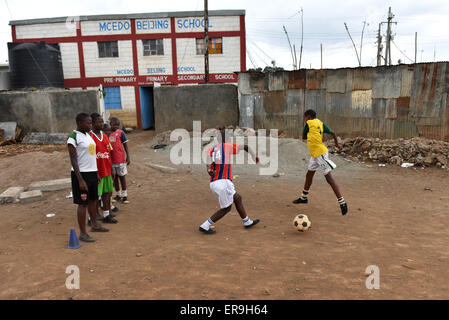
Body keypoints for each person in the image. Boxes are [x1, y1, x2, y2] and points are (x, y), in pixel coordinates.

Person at [199, 129, 260, 234]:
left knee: (237, 198)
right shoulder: (227, 146)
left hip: (214, 183)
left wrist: (209, 170)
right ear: (226, 139)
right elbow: (246, 146)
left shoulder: (211, 149)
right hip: (223, 182)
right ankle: (205, 225)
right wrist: (253, 156)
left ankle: (247, 221)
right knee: (226, 209)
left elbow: (208, 163)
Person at [292, 109, 348, 215]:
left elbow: (304, 137)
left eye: (304, 118)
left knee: (329, 178)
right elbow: (333, 133)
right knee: (309, 174)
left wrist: (309, 134)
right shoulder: (320, 123)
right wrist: (337, 144)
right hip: (315, 154)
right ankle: (304, 197)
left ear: (307, 117)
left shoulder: (309, 123)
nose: (304, 120)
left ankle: (342, 202)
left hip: (320, 154)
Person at [67, 113, 109, 243]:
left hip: (92, 173)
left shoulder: (88, 135)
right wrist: (80, 180)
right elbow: (73, 160)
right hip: (81, 174)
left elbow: (91, 156)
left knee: (93, 200)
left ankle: (95, 224)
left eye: (91, 123)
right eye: (88, 123)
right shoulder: (73, 137)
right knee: (83, 204)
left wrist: (96, 173)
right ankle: (83, 233)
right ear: (80, 123)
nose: (90, 125)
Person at [89, 113, 118, 224]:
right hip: (96, 172)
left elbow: (108, 153)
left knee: (107, 193)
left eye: (102, 121)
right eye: (99, 122)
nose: (101, 124)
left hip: (106, 171)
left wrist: (112, 169)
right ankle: (93, 217)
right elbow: (90, 156)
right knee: (95, 196)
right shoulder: (90, 137)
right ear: (93, 123)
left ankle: (106, 215)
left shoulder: (105, 136)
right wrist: (95, 172)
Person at [109, 117, 131, 204]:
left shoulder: (121, 133)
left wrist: (128, 156)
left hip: (121, 159)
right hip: (112, 161)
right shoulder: (108, 134)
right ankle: (118, 194)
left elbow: (125, 144)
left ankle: (124, 195)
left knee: (122, 177)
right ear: (110, 124)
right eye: (114, 125)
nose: (116, 127)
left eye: (118, 125)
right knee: (115, 178)